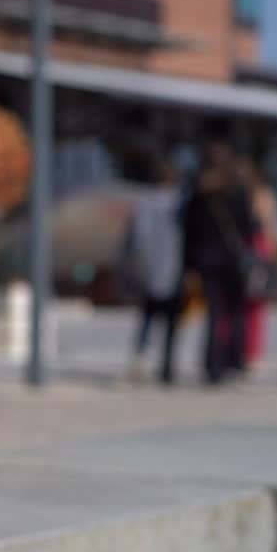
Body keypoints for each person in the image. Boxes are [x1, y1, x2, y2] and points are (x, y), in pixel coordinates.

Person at [183, 135, 256, 386]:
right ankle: (233, 359)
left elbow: (188, 229)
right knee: (235, 311)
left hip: (206, 259)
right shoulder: (237, 189)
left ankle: (212, 365)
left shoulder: (198, 190)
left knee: (214, 313)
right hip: (232, 258)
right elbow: (248, 227)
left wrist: (188, 264)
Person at [121, 153, 184, 385]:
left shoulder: (142, 202)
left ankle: (139, 357)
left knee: (147, 317)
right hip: (174, 268)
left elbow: (135, 238)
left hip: (148, 269)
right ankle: (167, 365)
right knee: (170, 321)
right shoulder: (179, 201)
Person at [240, 158, 277, 372]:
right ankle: (252, 352)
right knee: (256, 306)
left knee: (241, 303)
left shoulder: (241, 195)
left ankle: (242, 349)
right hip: (260, 249)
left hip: (245, 249)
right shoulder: (264, 196)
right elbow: (271, 226)